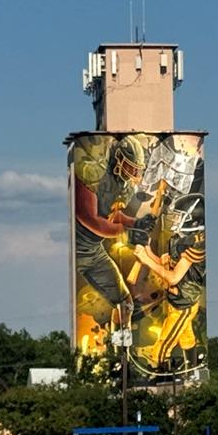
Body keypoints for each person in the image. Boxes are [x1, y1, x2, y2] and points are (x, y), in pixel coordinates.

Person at [70, 135, 156, 337]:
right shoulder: (94, 172)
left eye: (137, 169)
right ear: (117, 158)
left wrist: (135, 223)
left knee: (125, 302)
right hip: (76, 249)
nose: (134, 173)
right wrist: (125, 231)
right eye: (131, 167)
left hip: (93, 251)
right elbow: (89, 218)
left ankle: (118, 346)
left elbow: (109, 213)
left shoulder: (123, 185)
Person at [132, 193, 206, 371]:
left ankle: (159, 370)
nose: (174, 219)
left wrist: (146, 260)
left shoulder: (197, 244)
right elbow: (163, 265)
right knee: (186, 337)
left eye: (180, 216)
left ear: (193, 220)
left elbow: (173, 277)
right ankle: (192, 369)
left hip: (184, 303)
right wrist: (146, 247)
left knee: (165, 341)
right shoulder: (178, 239)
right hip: (174, 299)